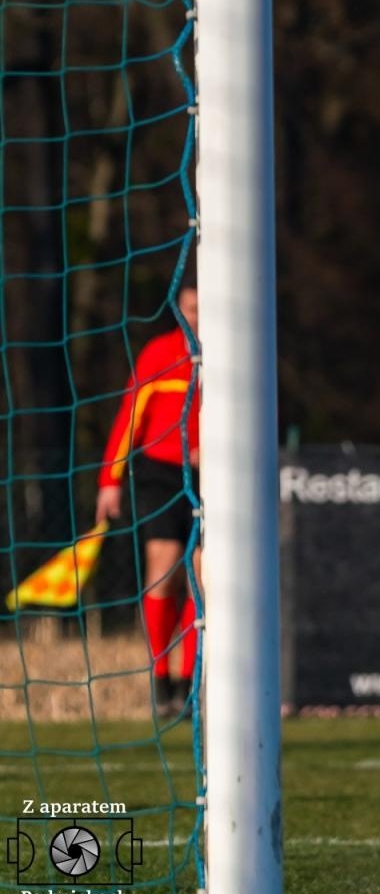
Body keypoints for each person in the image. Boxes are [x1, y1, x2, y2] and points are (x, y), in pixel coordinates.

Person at [97, 284, 202, 720]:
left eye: (204, 308)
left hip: (215, 477)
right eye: (191, 308)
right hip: (161, 473)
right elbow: (130, 417)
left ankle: (189, 682)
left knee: (203, 576)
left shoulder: (231, 353)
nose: (197, 316)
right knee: (164, 565)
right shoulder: (160, 353)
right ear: (179, 308)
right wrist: (110, 479)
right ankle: (160, 678)